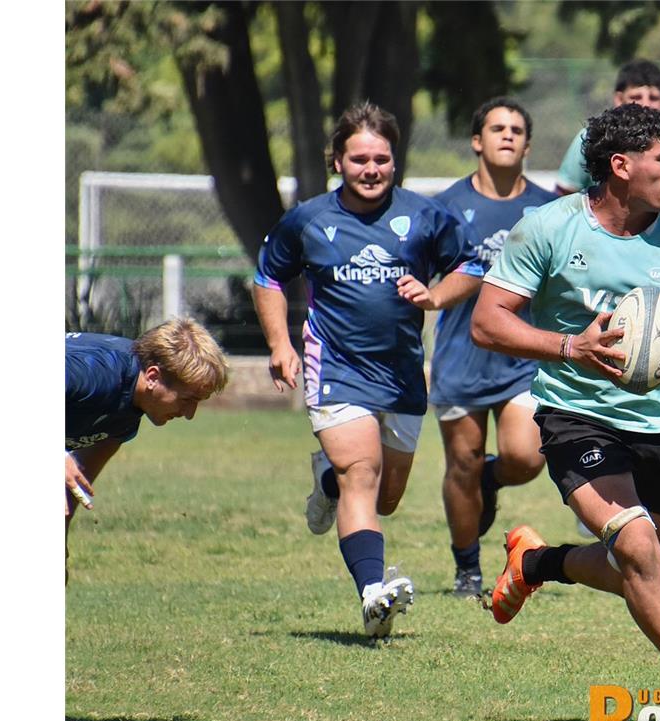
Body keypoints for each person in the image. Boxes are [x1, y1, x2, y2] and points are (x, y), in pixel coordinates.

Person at [472, 103, 660, 721]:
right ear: (621, 166)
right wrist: (573, 348)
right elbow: (489, 321)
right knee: (638, 547)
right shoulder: (549, 229)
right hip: (576, 415)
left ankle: (534, 563)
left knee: (641, 569)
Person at [251, 102, 481, 638]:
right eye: (359, 159)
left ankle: (326, 478)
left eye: (381, 159)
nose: (371, 169)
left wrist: (435, 295)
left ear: (394, 162)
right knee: (364, 474)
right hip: (336, 367)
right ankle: (373, 593)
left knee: (386, 497)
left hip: (401, 374)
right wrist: (280, 344)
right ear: (337, 161)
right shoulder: (309, 218)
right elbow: (267, 278)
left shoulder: (424, 216)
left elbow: (471, 265)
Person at [430, 97, 558, 598]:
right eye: (496, 127)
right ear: (476, 141)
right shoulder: (444, 206)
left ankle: (493, 479)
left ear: (527, 143)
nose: (507, 135)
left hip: (523, 357)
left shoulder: (549, 208)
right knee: (460, 464)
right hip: (461, 356)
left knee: (526, 458)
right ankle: (468, 570)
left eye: (517, 129)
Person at [66, 318, 230, 581]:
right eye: (187, 399)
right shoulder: (97, 371)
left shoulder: (127, 410)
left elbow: (73, 490)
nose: (189, 414)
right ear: (153, 376)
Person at [555, 58, 660, 297]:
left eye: (654, 98)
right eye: (636, 96)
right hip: (598, 258)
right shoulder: (590, 141)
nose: (645, 105)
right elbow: (563, 208)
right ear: (618, 99)